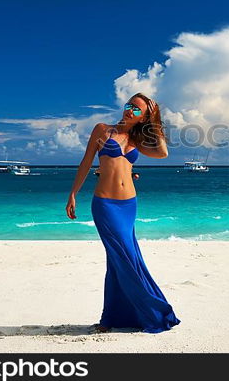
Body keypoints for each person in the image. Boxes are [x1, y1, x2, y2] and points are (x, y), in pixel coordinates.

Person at [66, 92, 180, 334]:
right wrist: (73, 193)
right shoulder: (102, 130)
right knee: (126, 258)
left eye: (138, 110)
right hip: (105, 204)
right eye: (130, 106)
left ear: (144, 118)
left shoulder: (138, 139)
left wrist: (155, 122)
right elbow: (86, 162)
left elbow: (163, 153)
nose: (130, 111)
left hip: (129, 204)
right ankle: (154, 309)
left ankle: (110, 318)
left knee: (119, 262)